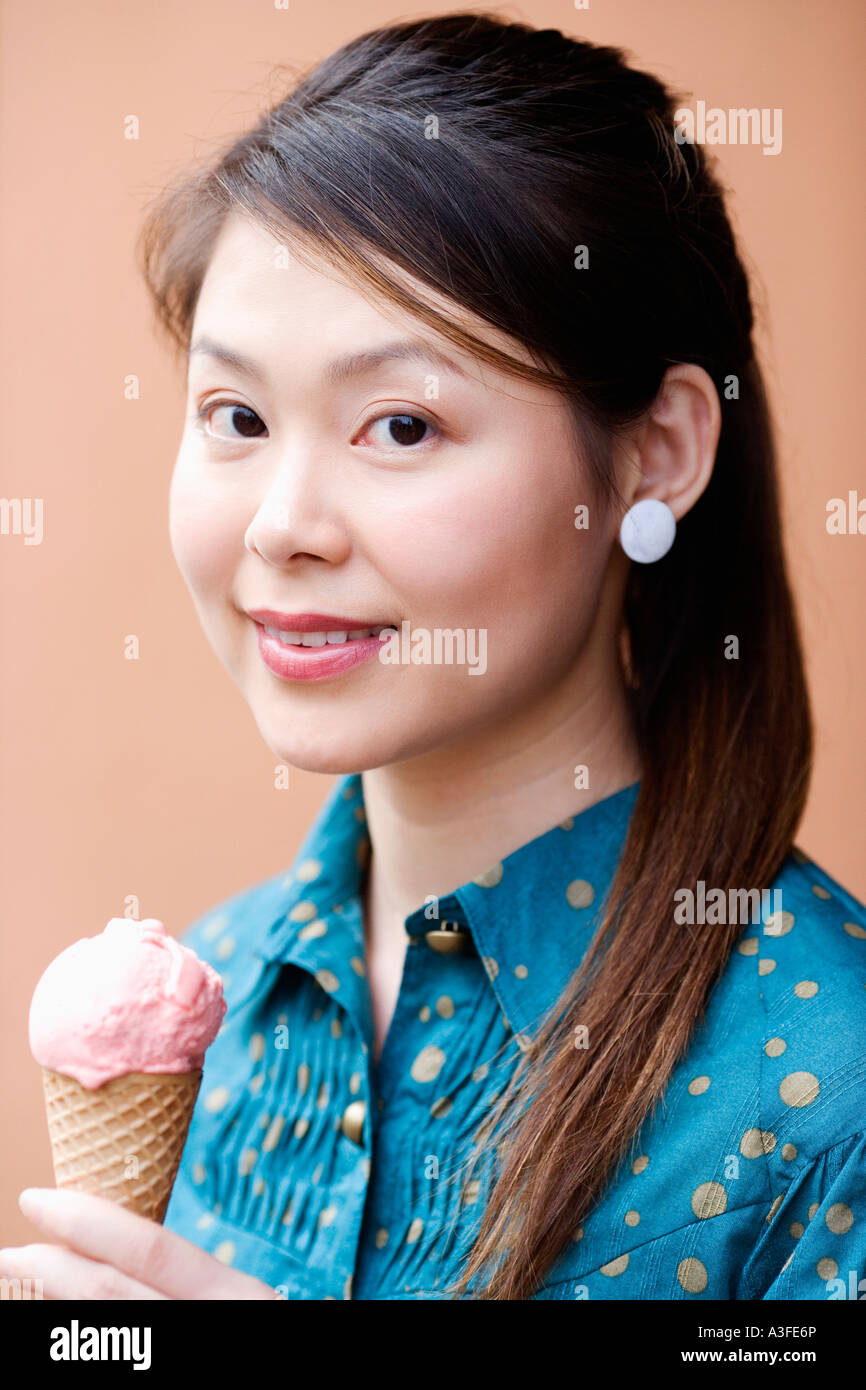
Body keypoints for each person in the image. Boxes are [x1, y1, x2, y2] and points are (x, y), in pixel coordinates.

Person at [8, 12, 866, 1301]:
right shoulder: (211, 1000)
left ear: (659, 452)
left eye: (400, 426)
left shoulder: (824, 1087)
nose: (284, 525)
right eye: (234, 415)